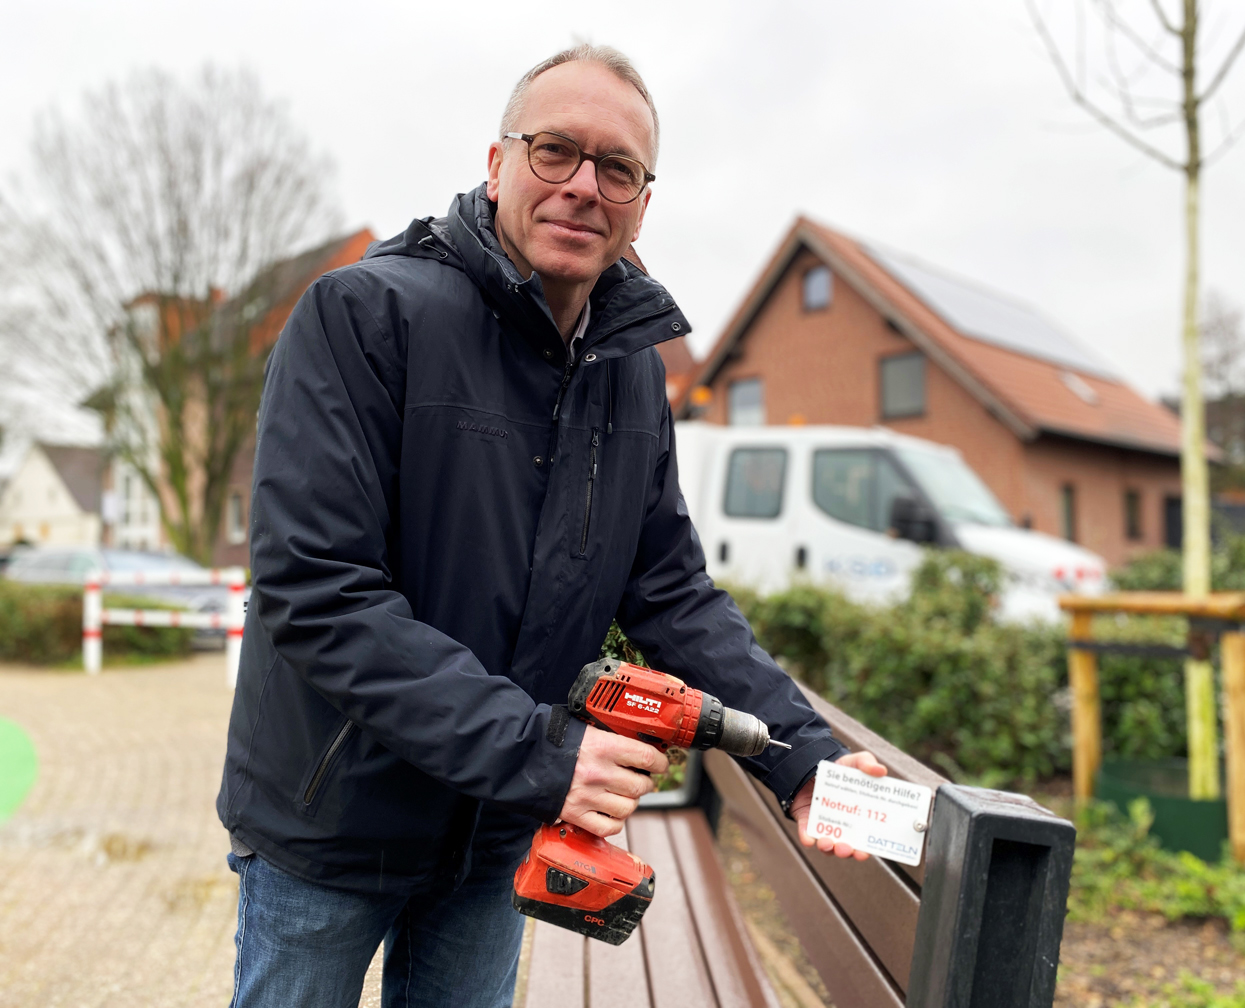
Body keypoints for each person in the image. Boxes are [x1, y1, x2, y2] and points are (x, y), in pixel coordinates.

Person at [217, 44, 884, 1008]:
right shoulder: (362, 315)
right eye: (555, 151)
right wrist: (545, 755)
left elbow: (670, 592)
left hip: (494, 831)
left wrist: (803, 756)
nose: (583, 186)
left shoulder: (631, 374)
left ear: (643, 202)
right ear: (497, 166)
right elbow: (318, 590)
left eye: (618, 168)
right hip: (332, 825)